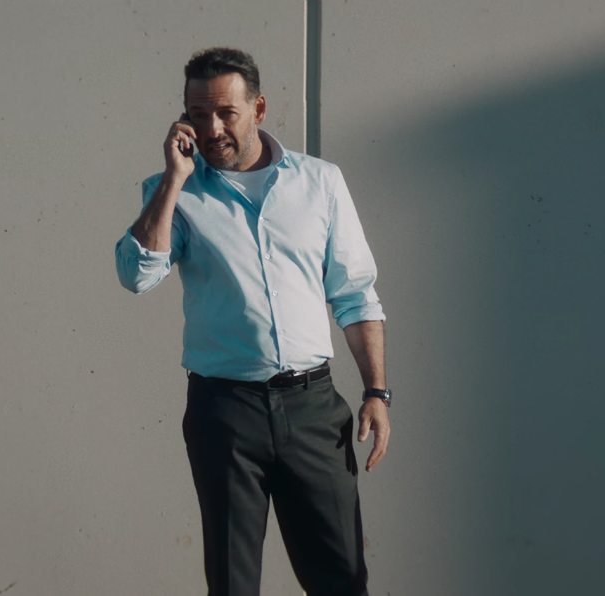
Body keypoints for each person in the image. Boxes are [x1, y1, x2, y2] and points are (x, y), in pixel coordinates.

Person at [114, 47, 391, 596]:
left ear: (259, 109)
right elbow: (136, 275)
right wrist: (173, 180)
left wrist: (377, 392)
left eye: (226, 112)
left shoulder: (320, 183)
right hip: (225, 413)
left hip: (312, 409)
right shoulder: (173, 192)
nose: (211, 128)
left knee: (342, 582)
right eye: (197, 114)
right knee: (232, 585)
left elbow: (355, 296)